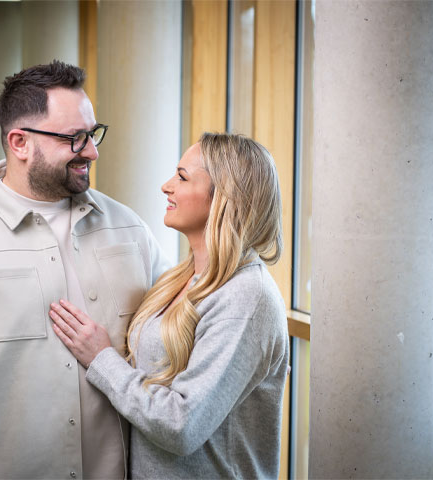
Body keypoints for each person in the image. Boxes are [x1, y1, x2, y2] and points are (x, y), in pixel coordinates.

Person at [0, 61, 170, 479]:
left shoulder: (131, 229)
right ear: (20, 142)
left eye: (93, 134)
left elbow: (172, 345)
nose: (92, 151)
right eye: (75, 138)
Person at [50, 132, 289, 479]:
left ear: (224, 196)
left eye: (182, 177)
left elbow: (181, 425)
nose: (166, 186)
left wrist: (101, 358)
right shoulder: (181, 278)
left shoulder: (247, 297)